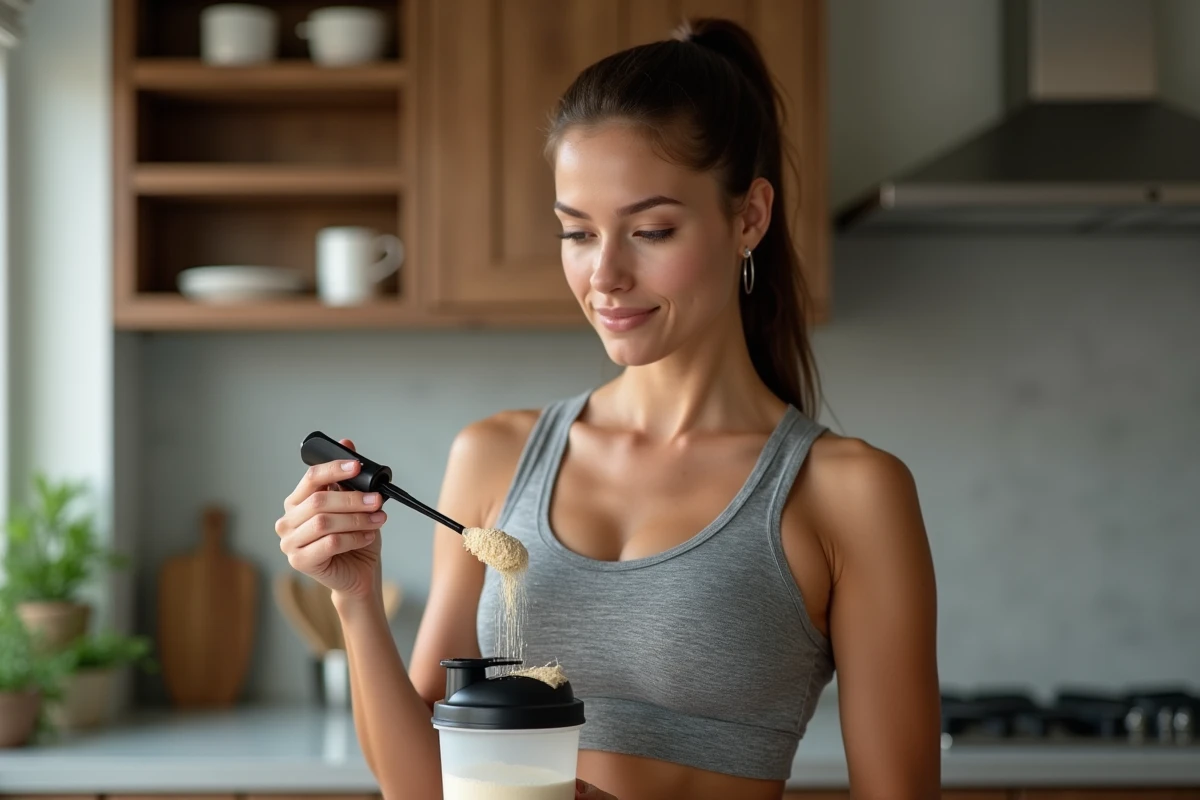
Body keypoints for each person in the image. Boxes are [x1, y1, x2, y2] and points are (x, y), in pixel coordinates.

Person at [276, 17, 940, 800]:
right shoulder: (494, 457)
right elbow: (423, 785)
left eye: (651, 230)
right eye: (577, 233)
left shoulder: (846, 491)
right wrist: (354, 602)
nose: (605, 275)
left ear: (750, 217)